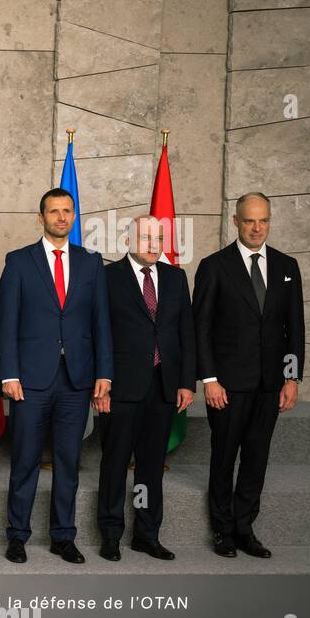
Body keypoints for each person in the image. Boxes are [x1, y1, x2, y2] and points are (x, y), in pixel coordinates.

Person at [0, 188, 112, 564]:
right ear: (41, 217)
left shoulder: (92, 262)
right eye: (54, 211)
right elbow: (7, 323)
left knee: (68, 460)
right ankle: (17, 535)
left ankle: (64, 536)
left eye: (67, 211)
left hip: (76, 378)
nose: (61, 217)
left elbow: (101, 323)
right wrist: (8, 373)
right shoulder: (18, 261)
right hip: (30, 378)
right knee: (26, 459)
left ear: (74, 215)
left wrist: (104, 374)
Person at [193, 192, 305, 558]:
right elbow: (202, 329)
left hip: (271, 385)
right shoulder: (214, 266)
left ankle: (244, 528)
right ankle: (222, 530)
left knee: (257, 458)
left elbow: (294, 328)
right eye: (250, 220)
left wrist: (291, 379)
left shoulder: (288, 266)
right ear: (236, 221)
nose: (258, 228)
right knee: (224, 458)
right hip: (227, 386)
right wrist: (209, 380)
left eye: (264, 220)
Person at [96, 216, 195, 561]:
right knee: (115, 462)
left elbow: (186, 332)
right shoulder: (108, 278)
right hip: (121, 386)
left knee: (151, 466)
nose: (153, 244)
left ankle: (146, 534)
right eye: (145, 237)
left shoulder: (175, 277)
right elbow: (100, 333)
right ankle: (110, 534)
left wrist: (185, 381)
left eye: (158, 238)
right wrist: (102, 384)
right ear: (129, 239)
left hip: (164, 386)